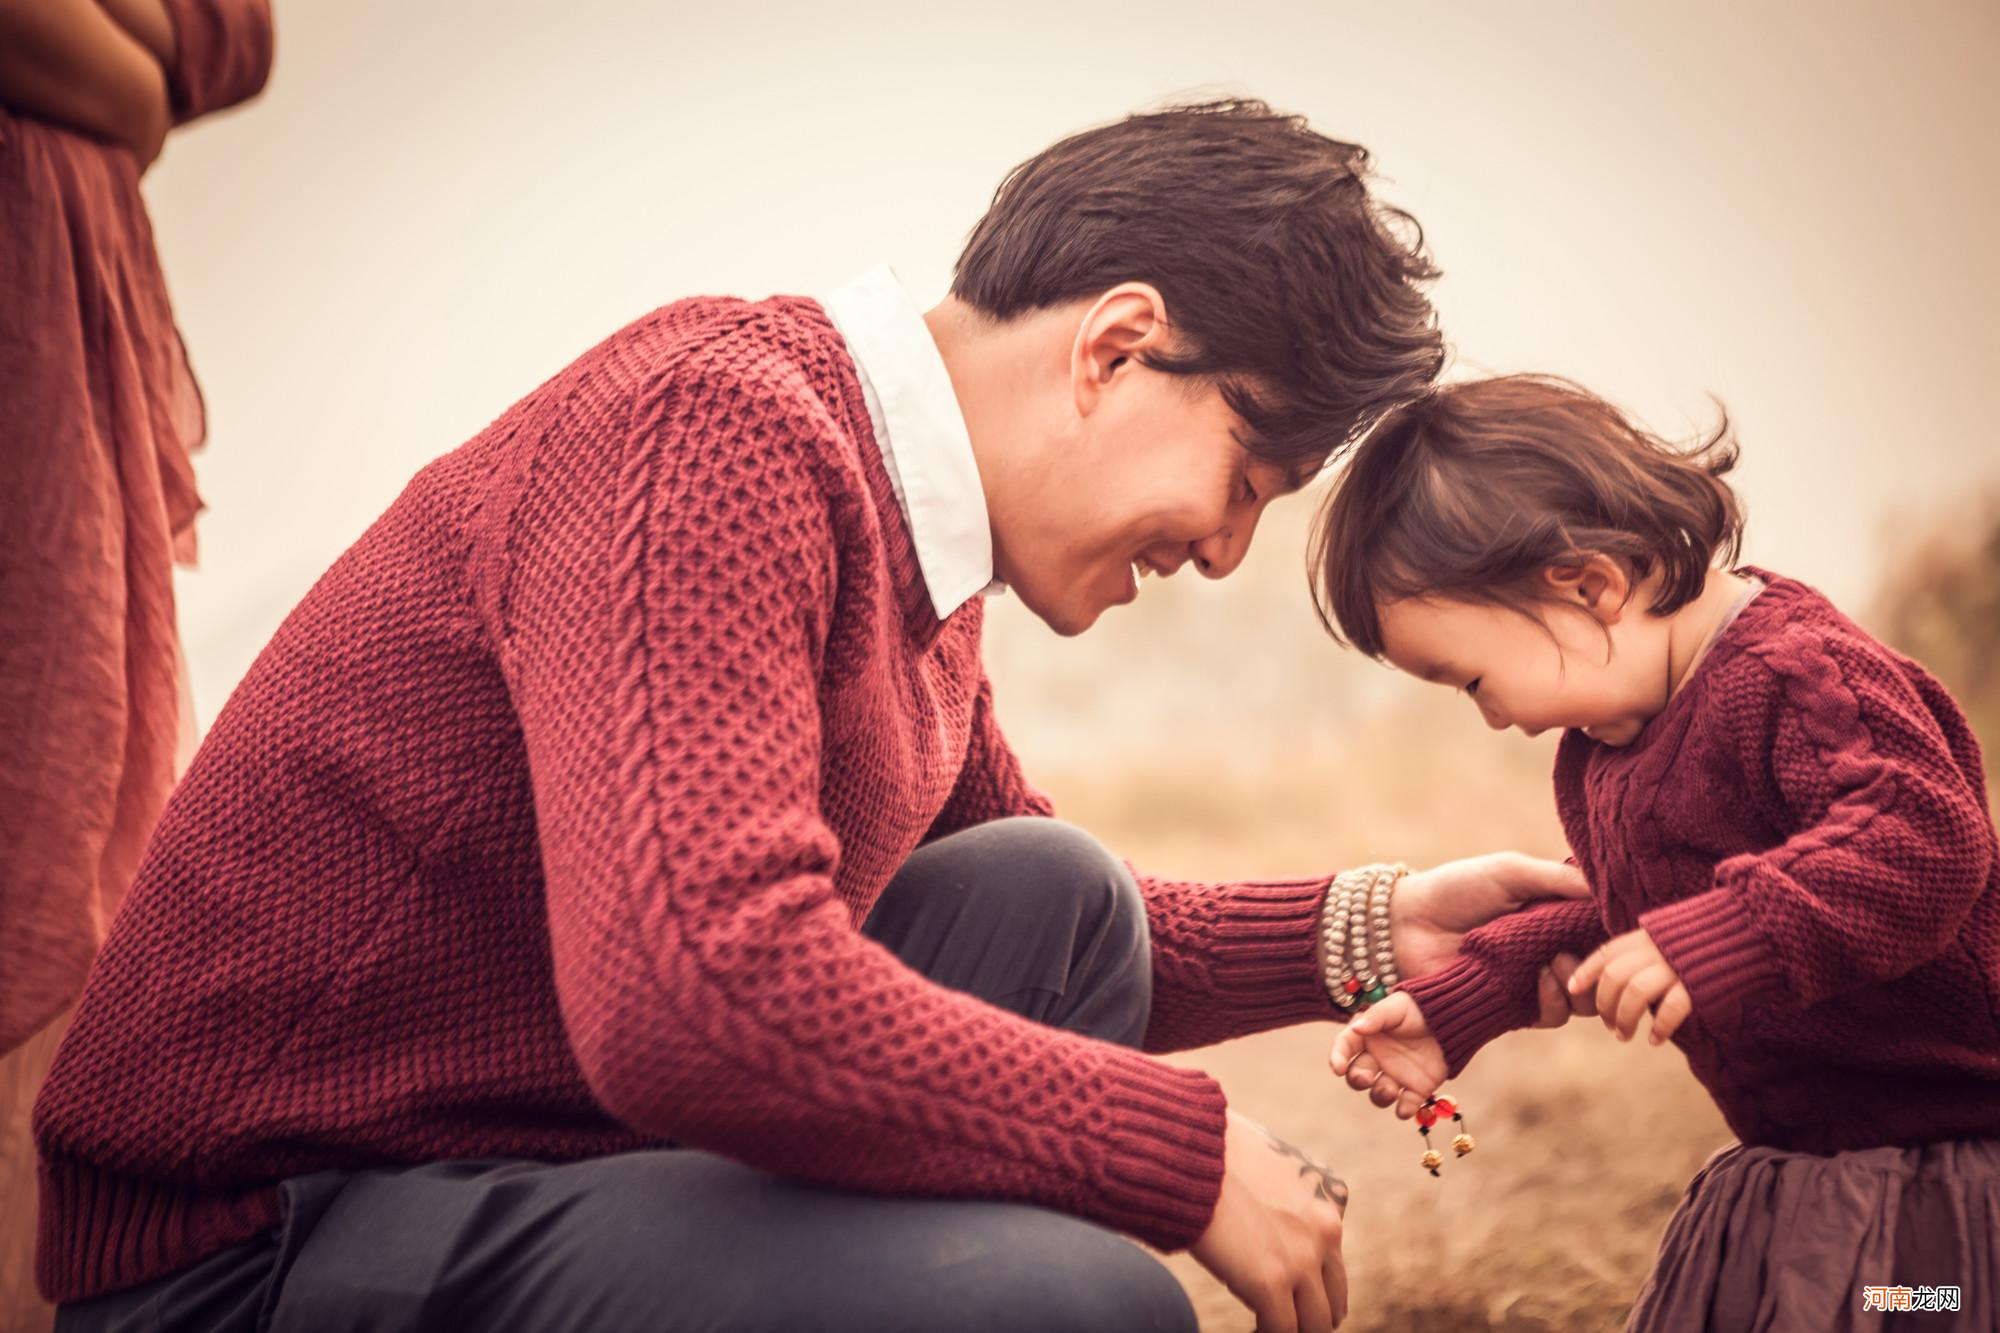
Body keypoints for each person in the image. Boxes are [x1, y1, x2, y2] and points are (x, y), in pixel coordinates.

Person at [38, 101, 1592, 1333]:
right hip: (264, 1237)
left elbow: (1065, 917)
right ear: (1115, 349)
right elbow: (690, 988)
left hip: (524, 1143)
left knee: (1061, 902)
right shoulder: (714, 430)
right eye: (1246, 481)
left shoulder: (915, 554)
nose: (1224, 549)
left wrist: (1370, 932)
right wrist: (1176, 1153)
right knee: (1079, 1308)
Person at [1319, 374, 2000, 1329]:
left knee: (1908, 1308)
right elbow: (1626, 914)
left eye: (1473, 679)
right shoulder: (1607, 749)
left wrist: (1724, 935)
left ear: (1591, 585)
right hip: (1805, 1173)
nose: (1489, 714)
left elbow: (1921, 839)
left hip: (1950, 1182)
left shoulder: (1794, 675)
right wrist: (1464, 1000)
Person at [0, 2, 273, 1329]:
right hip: (41, 325)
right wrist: (126, 78)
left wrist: (122, 77)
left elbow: (231, 43)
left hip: (51, 357)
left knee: (68, 856)